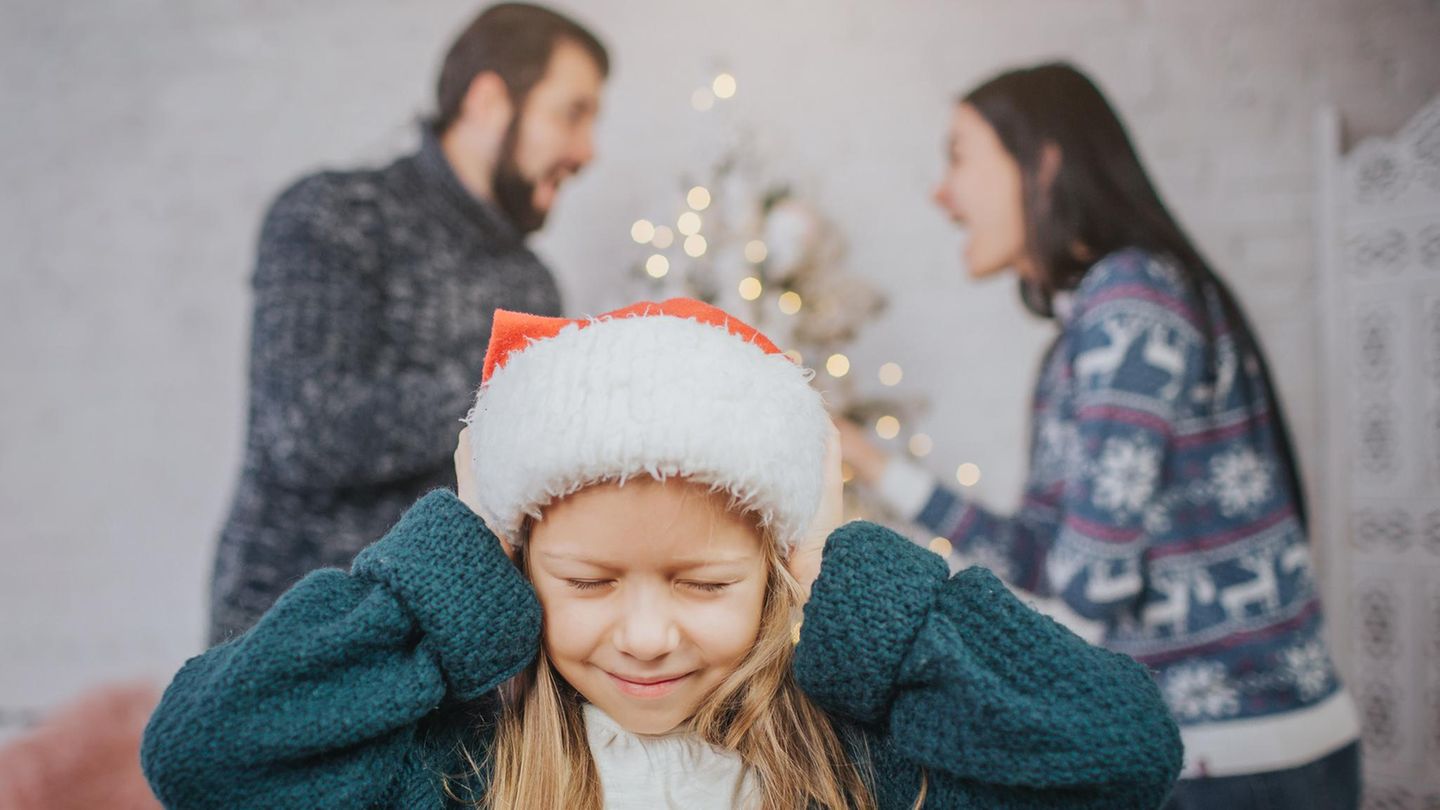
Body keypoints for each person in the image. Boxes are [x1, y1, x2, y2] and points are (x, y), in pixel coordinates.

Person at [143, 299, 1183, 808]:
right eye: (588, 583)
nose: (646, 635)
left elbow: (1122, 751)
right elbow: (201, 752)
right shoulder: (460, 776)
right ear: (511, 573)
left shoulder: (863, 767)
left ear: (776, 571)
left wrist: (836, 562)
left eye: (704, 582)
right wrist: (454, 557)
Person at [839, 63, 1360, 808]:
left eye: (957, 155)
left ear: (1043, 162)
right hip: (1215, 755)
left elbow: (1089, 588)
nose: (940, 192)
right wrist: (869, 461)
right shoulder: (1087, 328)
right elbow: (1045, 557)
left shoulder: (1129, 305)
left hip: (1242, 762)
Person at [209, 3, 608, 643]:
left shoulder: (533, 281)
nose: (586, 150)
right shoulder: (334, 214)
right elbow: (304, 430)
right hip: (294, 642)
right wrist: (518, 383)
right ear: (487, 101)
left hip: (451, 651)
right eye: (572, 113)